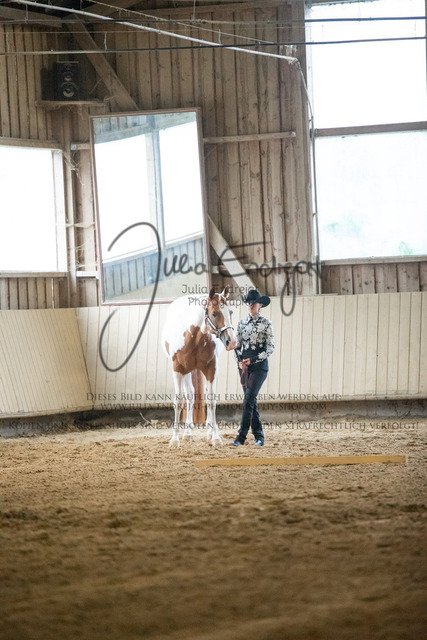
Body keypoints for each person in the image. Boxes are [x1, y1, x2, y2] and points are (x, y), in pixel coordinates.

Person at [232, 289, 274, 447]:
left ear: (260, 305)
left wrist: (254, 360)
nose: (250, 305)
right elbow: (237, 346)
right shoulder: (241, 324)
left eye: (253, 303)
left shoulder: (266, 324)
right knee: (250, 401)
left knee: (248, 399)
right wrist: (239, 361)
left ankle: (241, 437)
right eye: (248, 302)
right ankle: (259, 436)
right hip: (244, 367)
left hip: (259, 367)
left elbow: (270, 348)